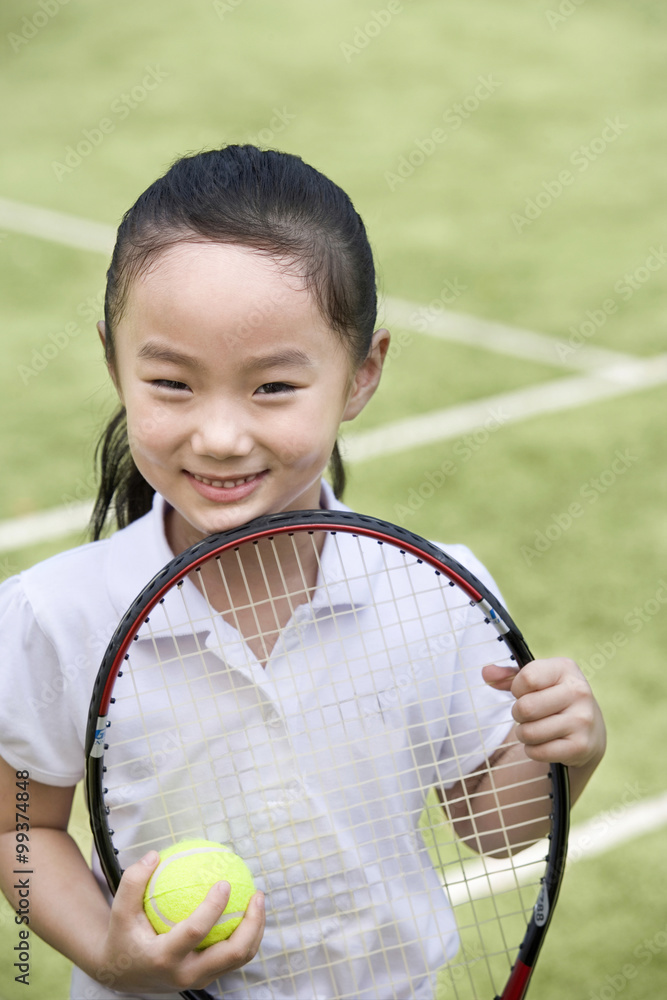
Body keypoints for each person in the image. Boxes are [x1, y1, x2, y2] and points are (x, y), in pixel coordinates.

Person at [0, 145, 606, 999]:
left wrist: (568, 753)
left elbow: (490, 824)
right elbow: (18, 831)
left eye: (273, 387)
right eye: (171, 382)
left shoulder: (438, 589)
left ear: (361, 375)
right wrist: (107, 953)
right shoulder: (53, 613)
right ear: (113, 363)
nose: (218, 435)